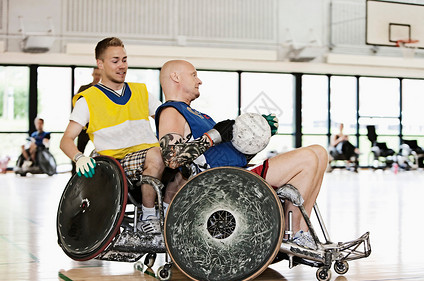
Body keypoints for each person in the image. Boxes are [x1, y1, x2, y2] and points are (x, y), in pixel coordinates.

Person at [155, 60, 328, 250]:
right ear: (176, 77)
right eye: (193, 74)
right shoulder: (171, 111)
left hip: (235, 173)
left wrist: (259, 137)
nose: (200, 80)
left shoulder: (198, 114)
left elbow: (224, 156)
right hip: (222, 183)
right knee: (308, 159)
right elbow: (172, 158)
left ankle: (301, 232)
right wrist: (214, 135)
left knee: (319, 153)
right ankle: (293, 234)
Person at [60, 37, 165, 234]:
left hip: (148, 155)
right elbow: (65, 140)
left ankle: (170, 213)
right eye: (115, 61)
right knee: (157, 155)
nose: (122, 66)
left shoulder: (140, 91)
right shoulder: (88, 100)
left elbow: (166, 118)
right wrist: (79, 157)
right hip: (116, 163)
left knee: (178, 159)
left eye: (124, 60)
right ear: (100, 64)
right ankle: (148, 217)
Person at [71, 67, 102, 175]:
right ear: (92, 74)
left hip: (98, 127)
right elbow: (76, 106)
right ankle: (74, 174)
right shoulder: (84, 88)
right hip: (84, 127)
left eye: (99, 74)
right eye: (96, 74)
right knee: (79, 150)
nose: (97, 76)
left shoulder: (104, 89)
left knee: (102, 151)